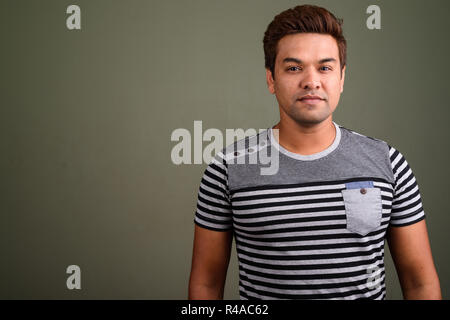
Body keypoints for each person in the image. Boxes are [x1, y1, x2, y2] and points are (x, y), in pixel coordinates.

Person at [188, 4, 441, 300]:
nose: (311, 81)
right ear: (271, 78)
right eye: (294, 68)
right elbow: (205, 284)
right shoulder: (228, 168)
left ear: (342, 77)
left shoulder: (388, 163)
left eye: (325, 67)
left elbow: (419, 283)